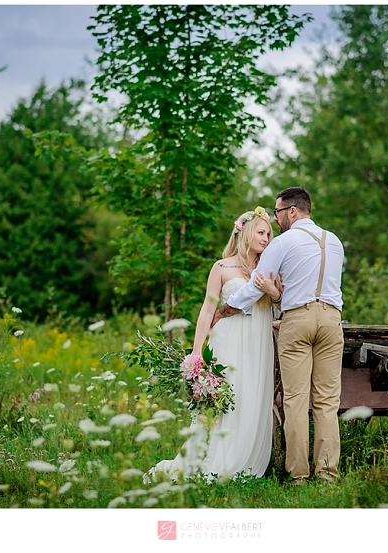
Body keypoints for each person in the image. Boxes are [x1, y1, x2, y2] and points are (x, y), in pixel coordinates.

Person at [212, 187, 345, 484]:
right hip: (332, 320)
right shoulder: (334, 242)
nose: (275, 219)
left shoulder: (283, 243)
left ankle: (298, 476)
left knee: (296, 401)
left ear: (292, 212)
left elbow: (256, 285)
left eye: (277, 212)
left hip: (297, 321)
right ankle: (327, 476)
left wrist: (227, 308)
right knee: (326, 402)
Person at [145, 207, 281, 483]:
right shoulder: (221, 267)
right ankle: (213, 457)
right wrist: (196, 352)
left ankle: (246, 459)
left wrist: (270, 289)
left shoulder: (269, 268)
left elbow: (279, 298)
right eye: (261, 232)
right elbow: (208, 311)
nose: (266, 238)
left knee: (253, 397)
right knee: (227, 398)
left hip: (259, 343)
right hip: (227, 340)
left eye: (269, 233)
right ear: (245, 233)